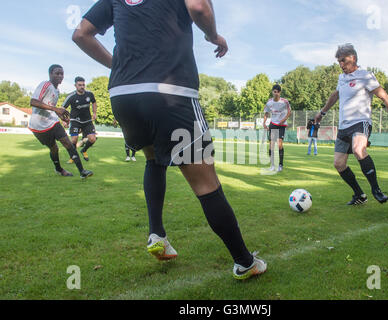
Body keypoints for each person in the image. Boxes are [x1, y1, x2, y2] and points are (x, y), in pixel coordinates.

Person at [73, 0, 266, 280]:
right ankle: (245, 262)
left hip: (123, 94)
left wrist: (120, 66)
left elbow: (80, 34)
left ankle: (157, 235)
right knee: (205, 182)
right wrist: (214, 36)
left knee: (153, 159)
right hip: (171, 92)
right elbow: (199, 7)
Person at [315, 44, 388, 205]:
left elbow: (385, 98)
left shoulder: (366, 75)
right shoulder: (341, 78)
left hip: (360, 123)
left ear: (353, 58)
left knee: (358, 149)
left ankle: (376, 190)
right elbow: (335, 95)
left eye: (343, 61)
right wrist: (322, 113)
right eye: (339, 62)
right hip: (344, 127)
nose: (341, 65)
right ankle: (359, 195)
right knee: (339, 164)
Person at [29, 65, 93, 179]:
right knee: (54, 148)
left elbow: (50, 107)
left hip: (52, 122)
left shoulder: (57, 90)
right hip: (38, 125)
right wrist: (55, 109)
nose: (60, 76)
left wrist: (61, 116)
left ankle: (82, 171)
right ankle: (59, 169)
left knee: (68, 143)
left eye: (62, 74)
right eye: (57, 73)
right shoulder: (45, 85)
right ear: (50, 74)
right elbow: (33, 101)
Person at [62, 76, 98, 162]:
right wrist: (64, 120)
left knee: (92, 139)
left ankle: (84, 150)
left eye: (83, 85)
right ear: (75, 85)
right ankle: (73, 157)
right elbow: (62, 108)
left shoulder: (89, 94)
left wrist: (94, 113)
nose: (82, 86)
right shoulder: (71, 96)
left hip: (87, 120)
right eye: (80, 85)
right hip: (75, 120)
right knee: (74, 140)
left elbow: (94, 102)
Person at [263, 84, 291, 172]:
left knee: (279, 145)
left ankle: (280, 165)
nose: (276, 94)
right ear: (272, 92)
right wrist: (264, 123)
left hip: (281, 125)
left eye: (278, 92)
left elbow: (289, 111)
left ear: (280, 92)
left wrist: (284, 119)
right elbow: (266, 113)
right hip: (273, 124)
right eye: (274, 92)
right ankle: (272, 165)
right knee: (271, 145)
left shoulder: (285, 101)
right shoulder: (269, 102)